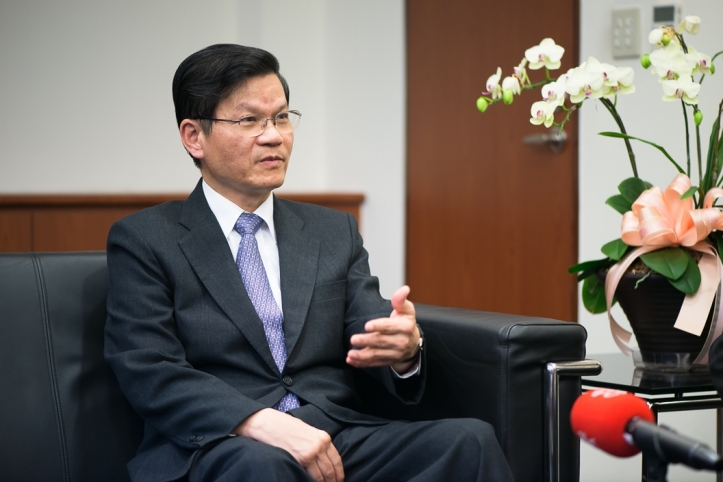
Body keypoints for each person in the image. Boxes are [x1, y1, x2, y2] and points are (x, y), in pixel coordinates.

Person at [104, 43, 513, 482]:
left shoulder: (332, 231)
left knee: (469, 441)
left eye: (281, 117)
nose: (273, 135)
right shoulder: (146, 239)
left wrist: (404, 351)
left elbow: (368, 334)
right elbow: (149, 368)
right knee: (261, 464)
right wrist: (262, 423)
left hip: (338, 434)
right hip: (223, 444)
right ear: (193, 136)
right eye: (249, 120)